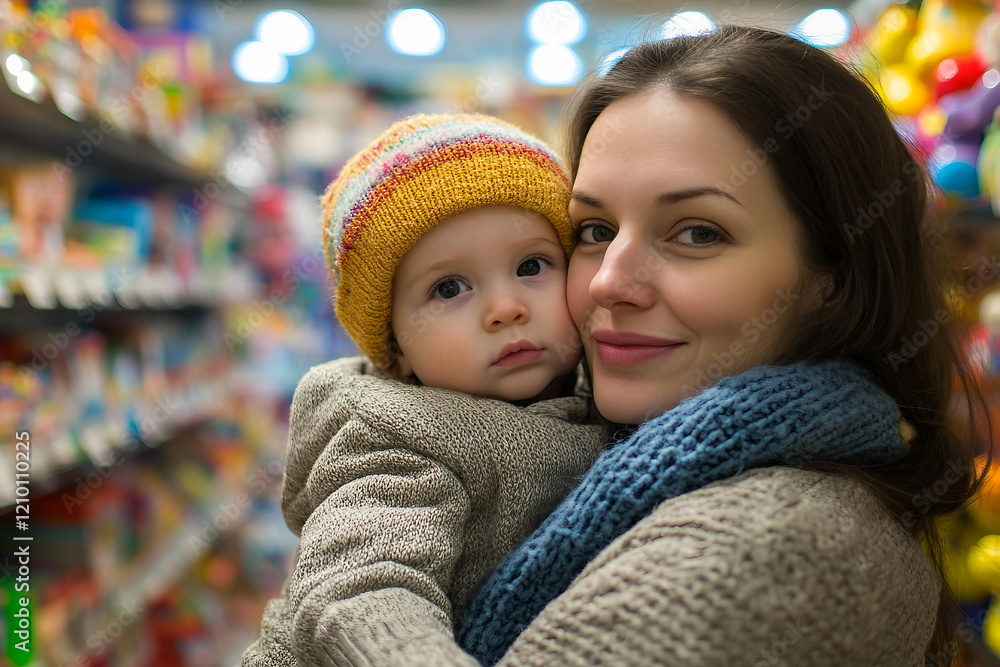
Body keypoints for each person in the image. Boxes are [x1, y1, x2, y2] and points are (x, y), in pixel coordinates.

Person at [304, 26, 988, 667]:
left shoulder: (770, 545)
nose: (608, 283)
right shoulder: (545, 428)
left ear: (831, 277)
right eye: (594, 230)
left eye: (697, 233)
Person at [242, 113, 613, 666]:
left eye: (532, 265)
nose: (505, 308)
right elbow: (359, 594)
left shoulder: (598, 392)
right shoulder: (399, 442)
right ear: (396, 347)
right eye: (449, 287)